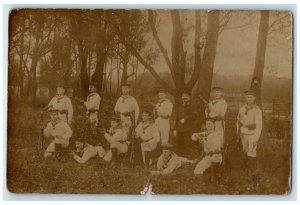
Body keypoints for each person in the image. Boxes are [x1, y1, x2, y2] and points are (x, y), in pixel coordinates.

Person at [237, 90, 263, 180]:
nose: (249, 99)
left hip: (252, 133)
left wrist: (256, 137)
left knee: (251, 152)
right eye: (247, 97)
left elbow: (259, 125)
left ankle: (251, 173)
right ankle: (247, 170)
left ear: (254, 98)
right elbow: (238, 121)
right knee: (245, 151)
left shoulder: (257, 110)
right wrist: (238, 132)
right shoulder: (242, 109)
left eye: (251, 97)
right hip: (243, 133)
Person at [174, 91, 198, 158]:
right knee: (179, 144)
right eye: (183, 96)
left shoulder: (193, 105)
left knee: (189, 143)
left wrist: (185, 119)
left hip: (188, 128)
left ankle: (191, 159)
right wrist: (175, 128)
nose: (184, 97)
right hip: (180, 128)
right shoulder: (181, 106)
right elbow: (177, 118)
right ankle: (181, 159)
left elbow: (194, 115)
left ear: (189, 97)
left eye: (186, 96)